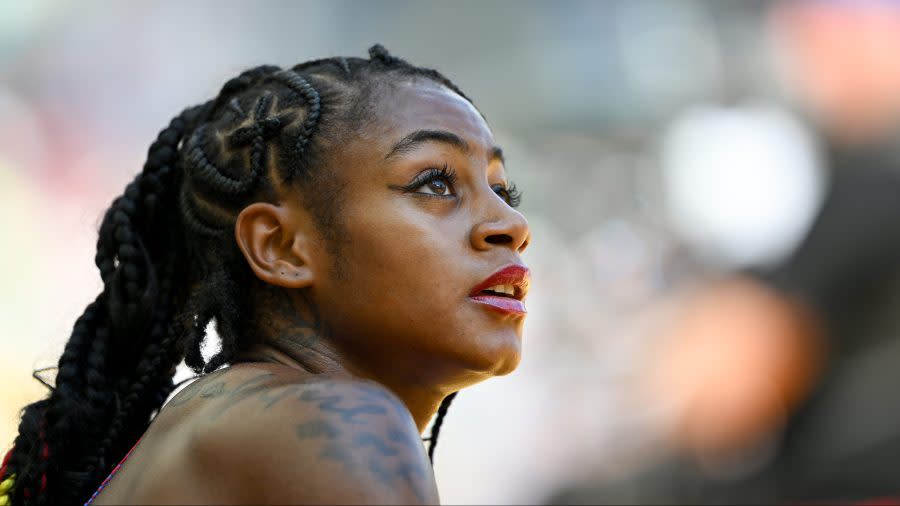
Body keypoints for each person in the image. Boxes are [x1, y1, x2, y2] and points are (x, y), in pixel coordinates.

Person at [0, 44, 531, 505]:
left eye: (502, 192)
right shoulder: (336, 423)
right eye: (435, 182)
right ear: (280, 247)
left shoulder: (234, 417)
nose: (512, 224)